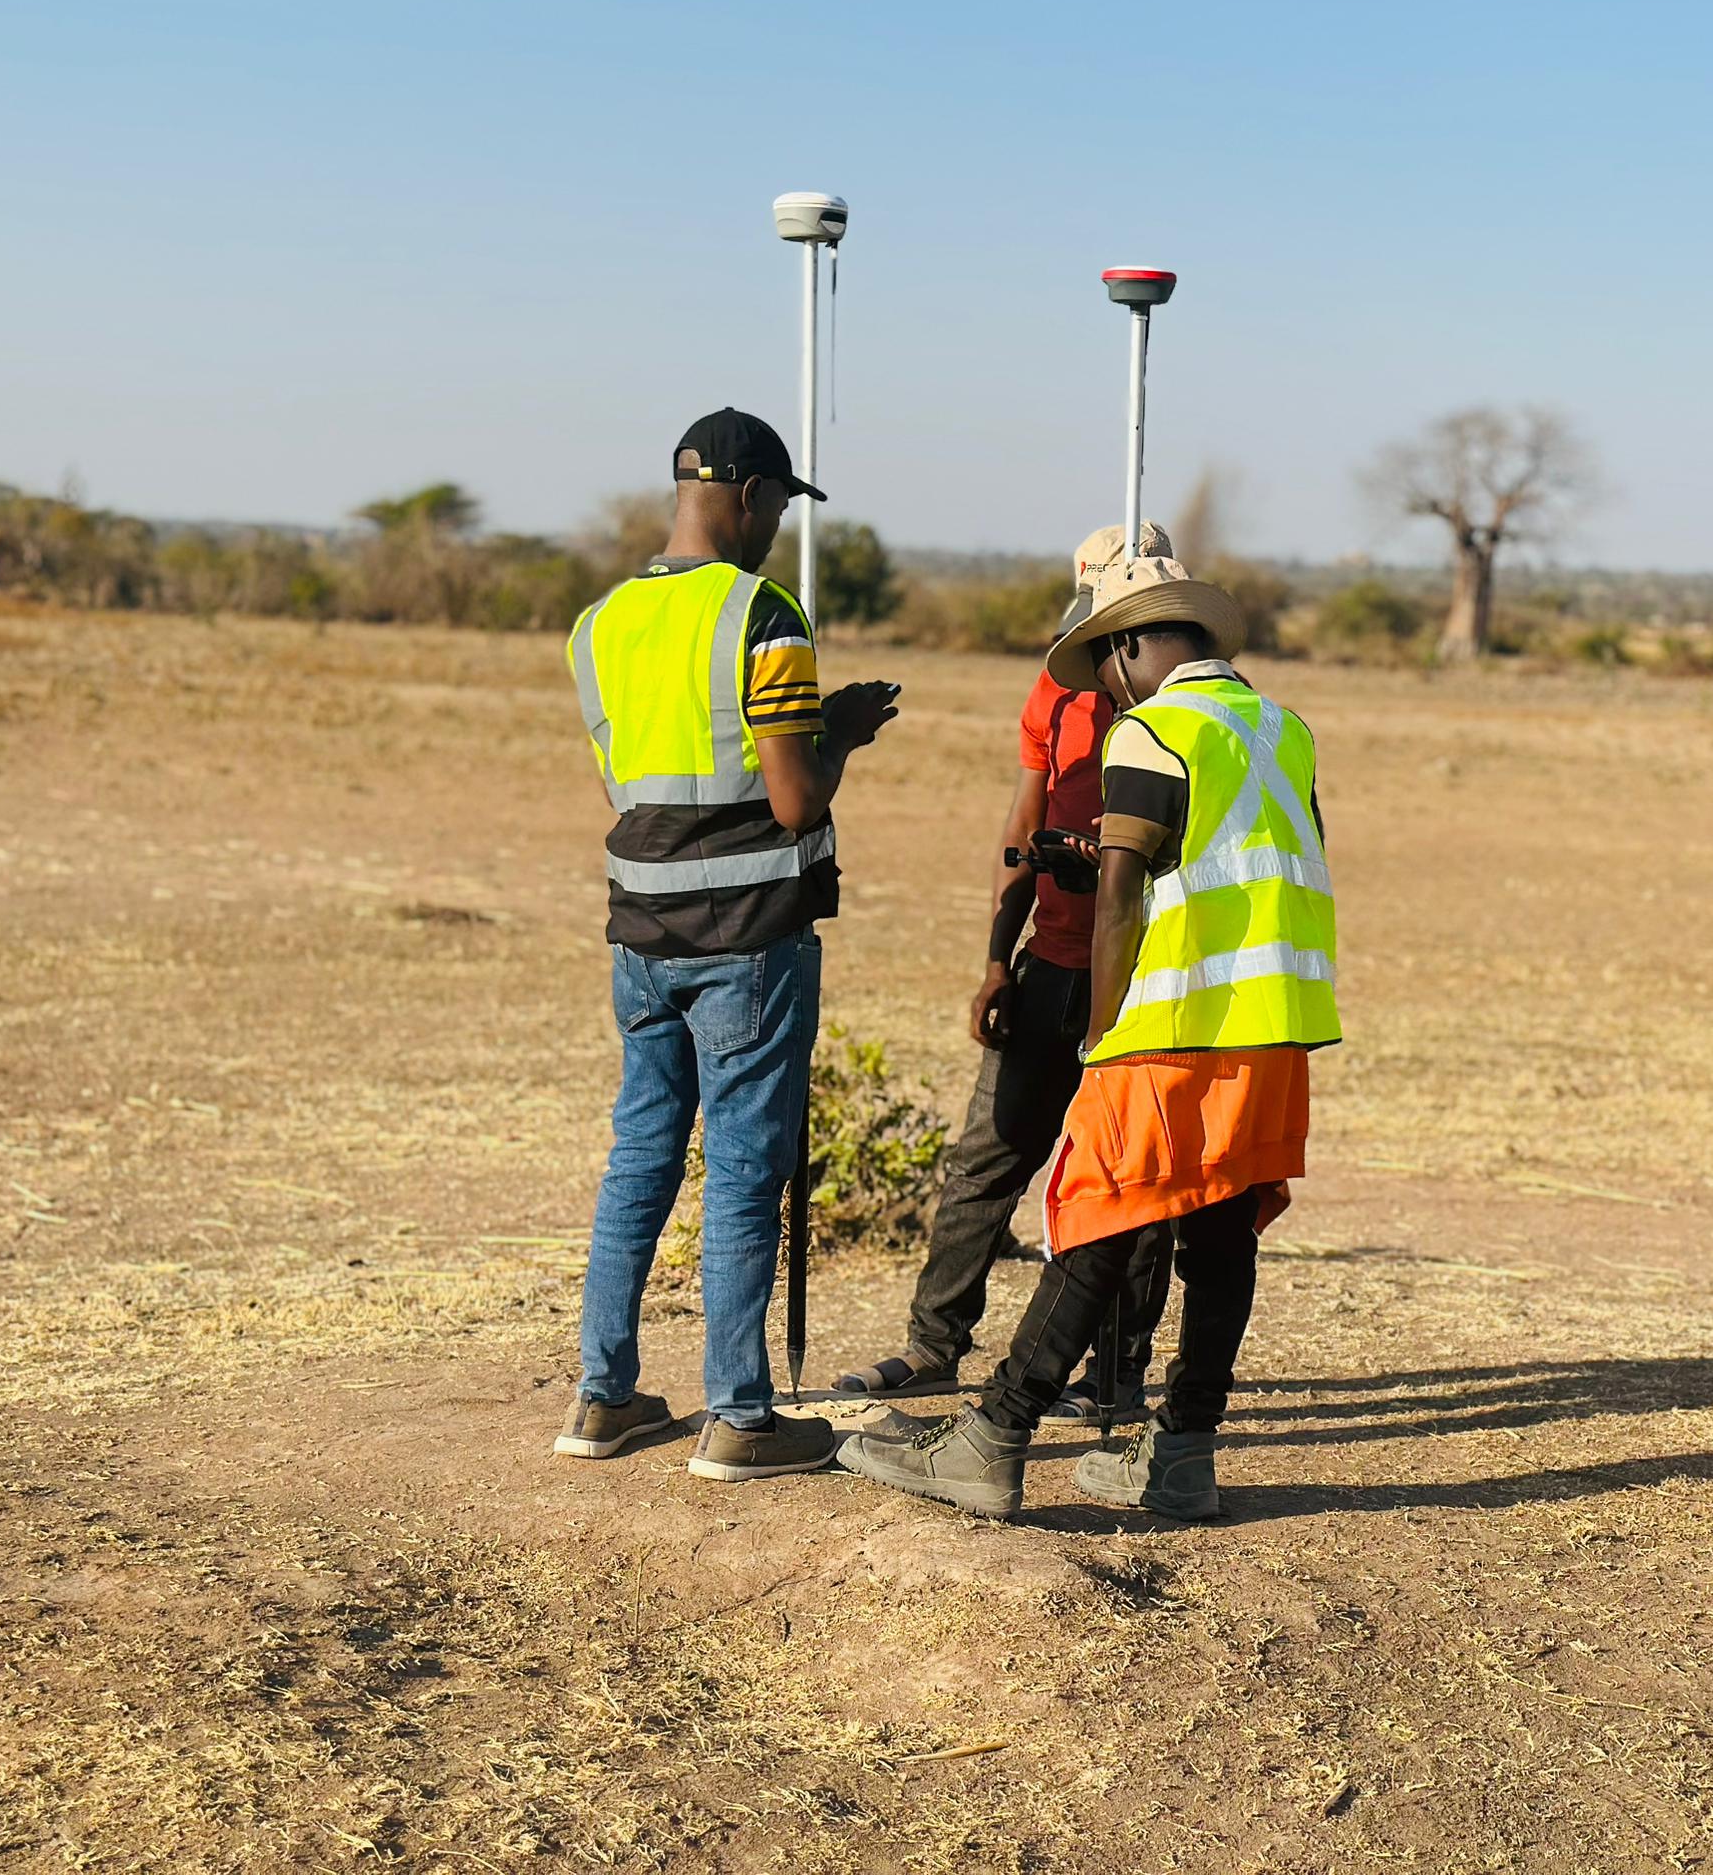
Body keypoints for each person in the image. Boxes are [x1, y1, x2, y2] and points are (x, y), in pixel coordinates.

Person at [838, 556, 1338, 1521]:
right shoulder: (1282, 729)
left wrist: (1102, 1031)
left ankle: (992, 1439)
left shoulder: (1154, 732)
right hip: (1275, 1027)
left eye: (1106, 667)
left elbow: (1118, 898)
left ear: (1132, 645)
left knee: (1105, 1216)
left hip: (1174, 1023)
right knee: (1221, 1231)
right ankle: (1184, 1453)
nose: (1107, 691)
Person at [551, 407, 900, 1480]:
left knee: (642, 1158)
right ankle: (740, 1418)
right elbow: (793, 804)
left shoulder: (597, 624)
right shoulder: (765, 612)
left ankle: (601, 1399)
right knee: (745, 1173)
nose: (777, 528)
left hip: (639, 934)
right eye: (780, 508)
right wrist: (835, 733)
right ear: (747, 496)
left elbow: (630, 787)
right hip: (748, 934)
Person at [828, 523, 1177, 1423]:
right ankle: (934, 1346)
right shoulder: (1055, 698)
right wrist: (996, 961)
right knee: (985, 1160)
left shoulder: (1186, 717)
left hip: (1145, 983)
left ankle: (1114, 1380)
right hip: (1051, 966)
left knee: (1131, 1181)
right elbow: (1021, 834)